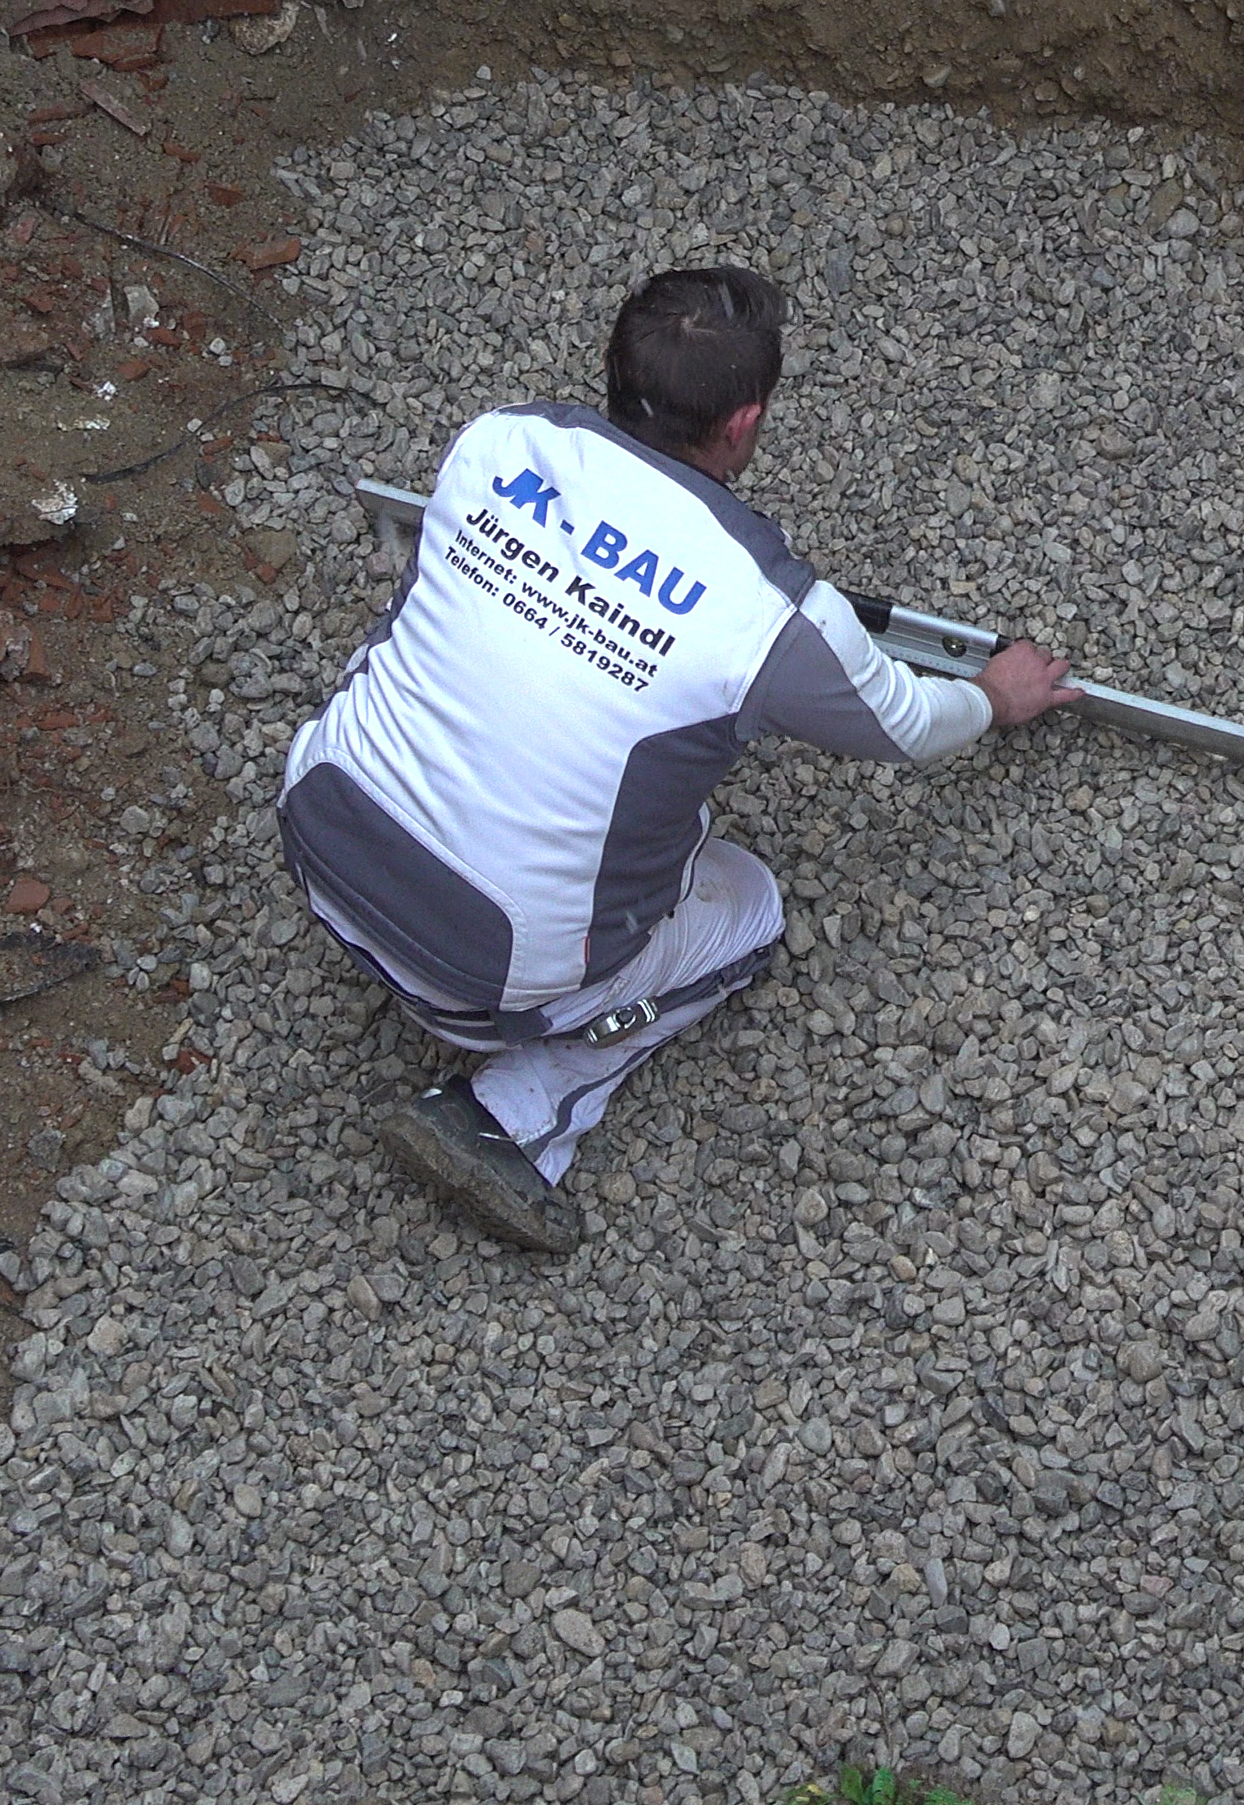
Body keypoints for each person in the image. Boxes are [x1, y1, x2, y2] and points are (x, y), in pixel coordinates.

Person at [276, 266, 1079, 1250]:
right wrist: (997, 697)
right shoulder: (771, 618)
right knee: (746, 902)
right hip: (477, 976)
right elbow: (908, 723)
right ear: (743, 424)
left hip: (318, 846)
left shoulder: (501, 441)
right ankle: (514, 1113)